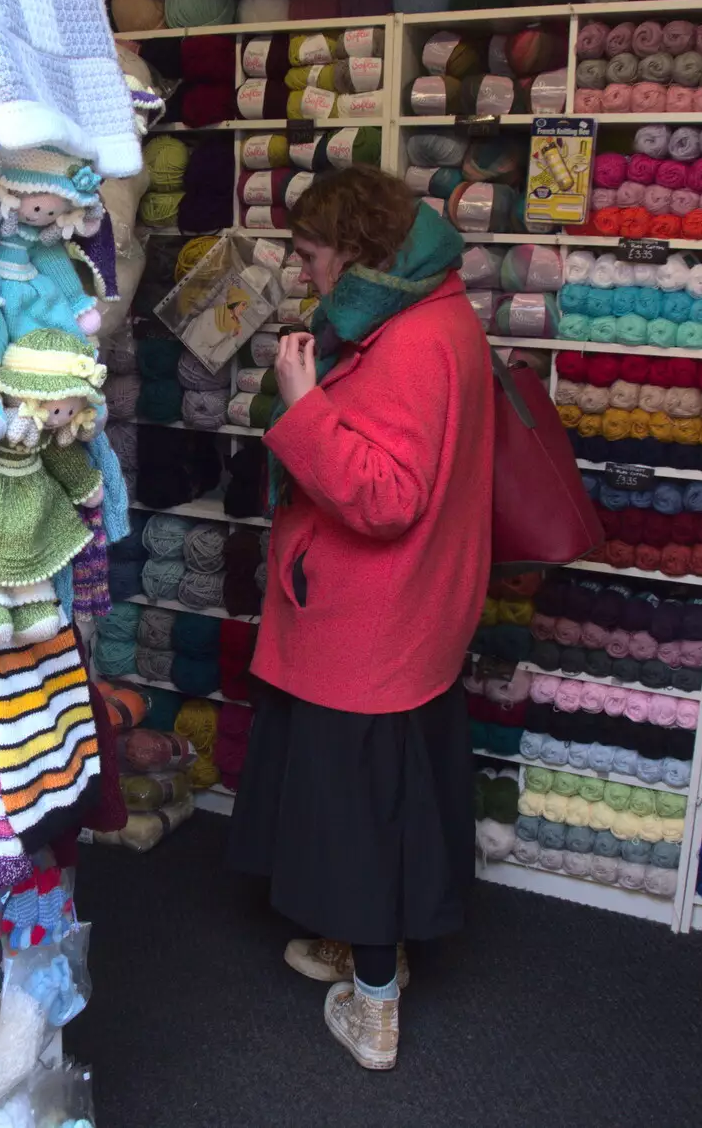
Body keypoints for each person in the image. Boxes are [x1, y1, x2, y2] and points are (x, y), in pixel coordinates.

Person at [227, 165, 495, 1071]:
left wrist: (305, 408)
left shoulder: (410, 342)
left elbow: (384, 498)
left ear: (355, 247)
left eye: (310, 253)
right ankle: (370, 951)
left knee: (362, 816)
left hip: (373, 614)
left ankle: (374, 1003)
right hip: (412, 605)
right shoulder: (438, 315)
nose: (305, 272)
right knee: (392, 801)